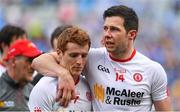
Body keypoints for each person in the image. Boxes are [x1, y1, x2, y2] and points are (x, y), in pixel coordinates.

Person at [32, 5, 172, 111]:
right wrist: (63, 74)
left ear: (132, 34)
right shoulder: (91, 57)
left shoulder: (153, 70)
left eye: (114, 29)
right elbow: (38, 61)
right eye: (105, 28)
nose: (107, 34)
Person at [28, 27, 92, 111]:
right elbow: (36, 62)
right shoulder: (43, 89)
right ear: (59, 54)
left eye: (84, 56)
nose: (79, 62)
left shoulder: (89, 85)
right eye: (73, 55)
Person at [0, 39, 42, 111]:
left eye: (35, 61)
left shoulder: (34, 91)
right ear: (13, 61)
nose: (33, 66)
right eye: (29, 61)